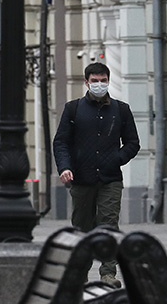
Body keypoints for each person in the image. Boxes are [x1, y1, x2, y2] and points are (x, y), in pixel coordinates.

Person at [52, 62, 140, 286]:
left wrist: (116, 159)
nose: (99, 84)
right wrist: (65, 167)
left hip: (110, 178)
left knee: (109, 222)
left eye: (103, 80)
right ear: (87, 82)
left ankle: (108, 273)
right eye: (95, 81)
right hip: (81, 178)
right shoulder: (73, 109)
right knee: (81, 226)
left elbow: (132, 143)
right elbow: (61, 142)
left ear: (108, 81)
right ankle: (79, 273)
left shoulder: (121, 110)